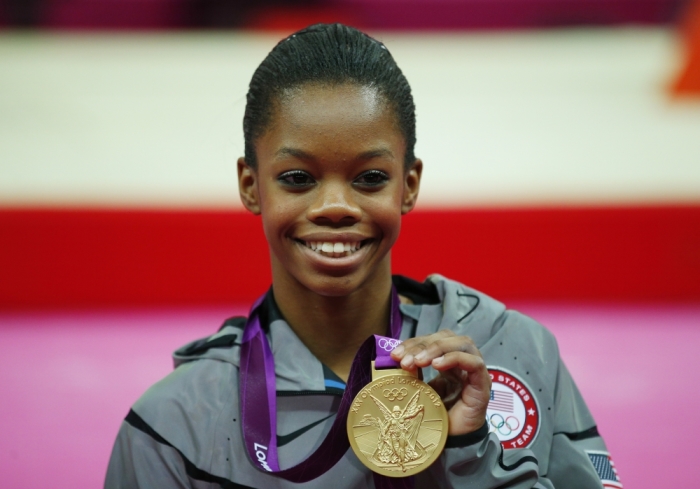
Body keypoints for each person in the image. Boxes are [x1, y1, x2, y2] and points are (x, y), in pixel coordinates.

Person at [105, 23, 621, 489]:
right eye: (298, 178)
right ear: (250, 185)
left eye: (370, 178)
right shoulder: (175, 424)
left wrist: (469, 456)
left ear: (409, 184)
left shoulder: (513, 352)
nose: (335, 207)